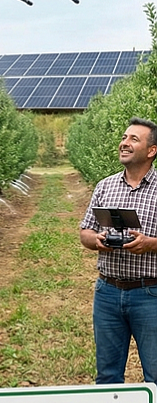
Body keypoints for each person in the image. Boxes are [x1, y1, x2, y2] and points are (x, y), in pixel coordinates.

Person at [79, 117, 157, 383]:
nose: (124, 143)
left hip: (150, 294)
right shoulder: (105, 186)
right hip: (108, 293)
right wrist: (96, 240)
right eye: (124, 138)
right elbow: (85, 231)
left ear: (152, 150)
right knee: (107, 376)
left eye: (134, 139)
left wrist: (150, 244)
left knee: (155, 374)